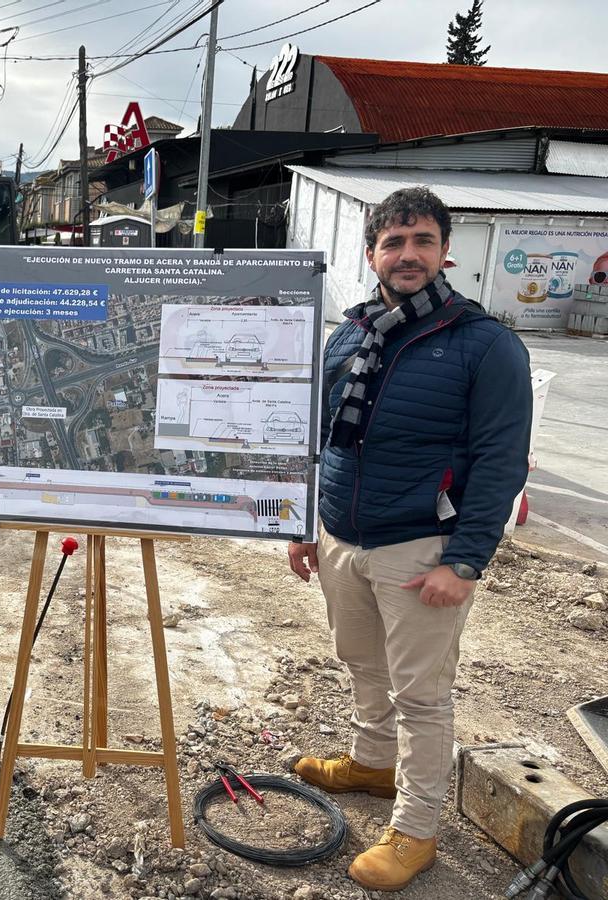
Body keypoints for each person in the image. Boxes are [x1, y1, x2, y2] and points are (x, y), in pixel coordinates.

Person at [288, 186, 532, 892]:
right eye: (393, 242)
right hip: (342, 537)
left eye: (423, 240)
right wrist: (304, 524)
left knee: (421, 697)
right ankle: (372, 762)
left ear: (445, 250)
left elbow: (501, 460)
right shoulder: (350, 334)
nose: (408, 254)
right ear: (371, 254)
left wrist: (466, 560)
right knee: (362, 663)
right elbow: (319, 438)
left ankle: (417, 829)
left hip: (422, 549)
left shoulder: (485, 344)